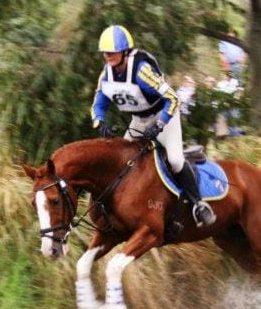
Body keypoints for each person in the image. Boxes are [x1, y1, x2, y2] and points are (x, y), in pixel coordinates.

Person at [91, 25, 215, 227]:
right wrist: (100, 123)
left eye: (112, 52)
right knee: (122, 161)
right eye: (105, 52)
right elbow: (98, 103)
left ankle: (198, 205)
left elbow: (173, 99)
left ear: (125, 52)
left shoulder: (141, 71)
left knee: (174, 160)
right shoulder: (106, 74)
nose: (108, 56)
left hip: (164, 116)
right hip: (138, 121)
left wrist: (159, 124)